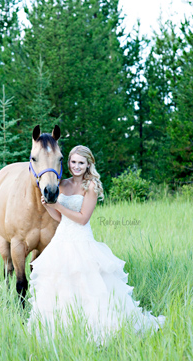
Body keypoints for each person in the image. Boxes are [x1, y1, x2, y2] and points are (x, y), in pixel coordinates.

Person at [27, 145, 164, 344]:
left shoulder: (90, 186)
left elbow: (82, 218)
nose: (76, 166)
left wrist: (57, 205)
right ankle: (64, 330)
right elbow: (60, 218)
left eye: (81, 163)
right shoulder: (62, 184)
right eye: (73, 162)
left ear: (88, 164)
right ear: (68, 163)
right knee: (60, 287)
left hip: (81, 241)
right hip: (61, 241)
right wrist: (49, 206)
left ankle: (96, 328)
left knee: (88, 287)